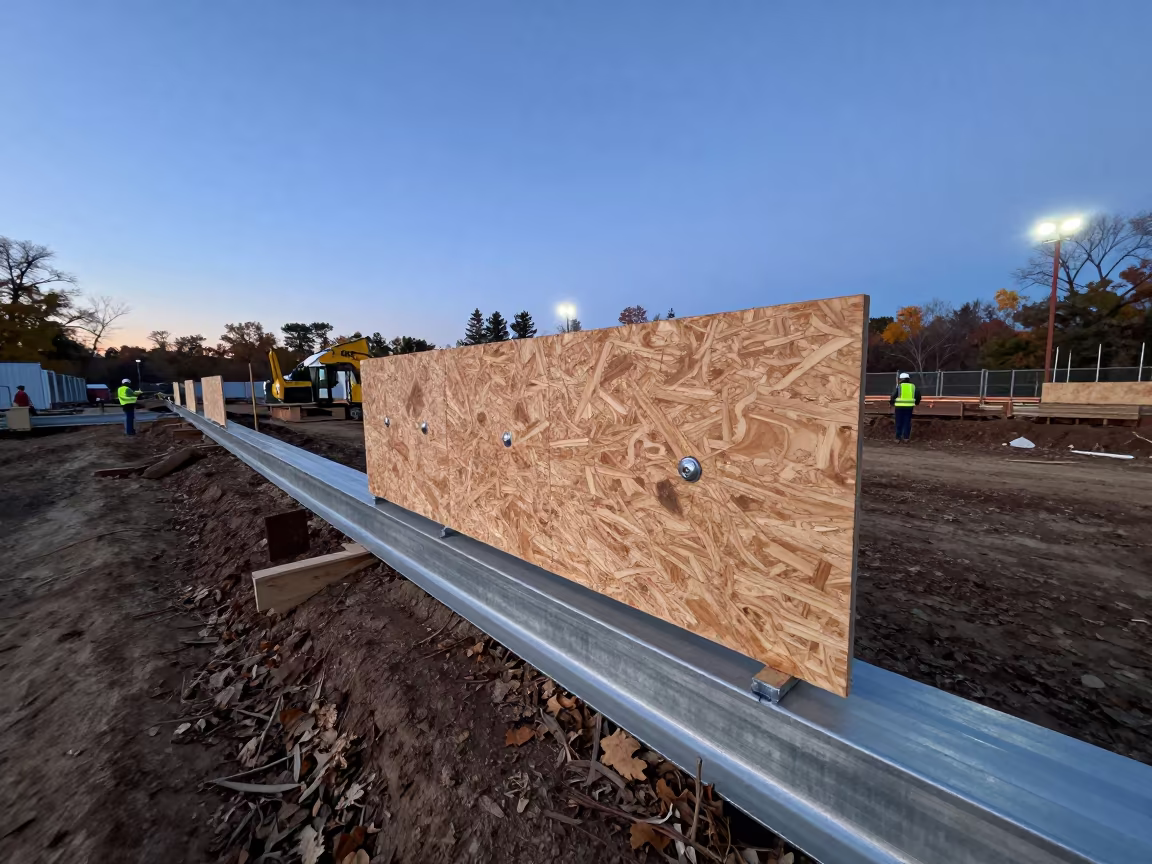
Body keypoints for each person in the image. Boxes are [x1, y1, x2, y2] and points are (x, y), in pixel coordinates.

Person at [889, 372, 921, 442]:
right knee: (907, 422)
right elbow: (918, 395)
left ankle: (898, 438)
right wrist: (916, 403)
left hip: (899, 407)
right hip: (909, 407)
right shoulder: (913, 386)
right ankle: (906, 438)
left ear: (901, 379)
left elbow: (893, 395)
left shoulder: (899, 386)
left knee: (899, 422)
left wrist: (891, 403)